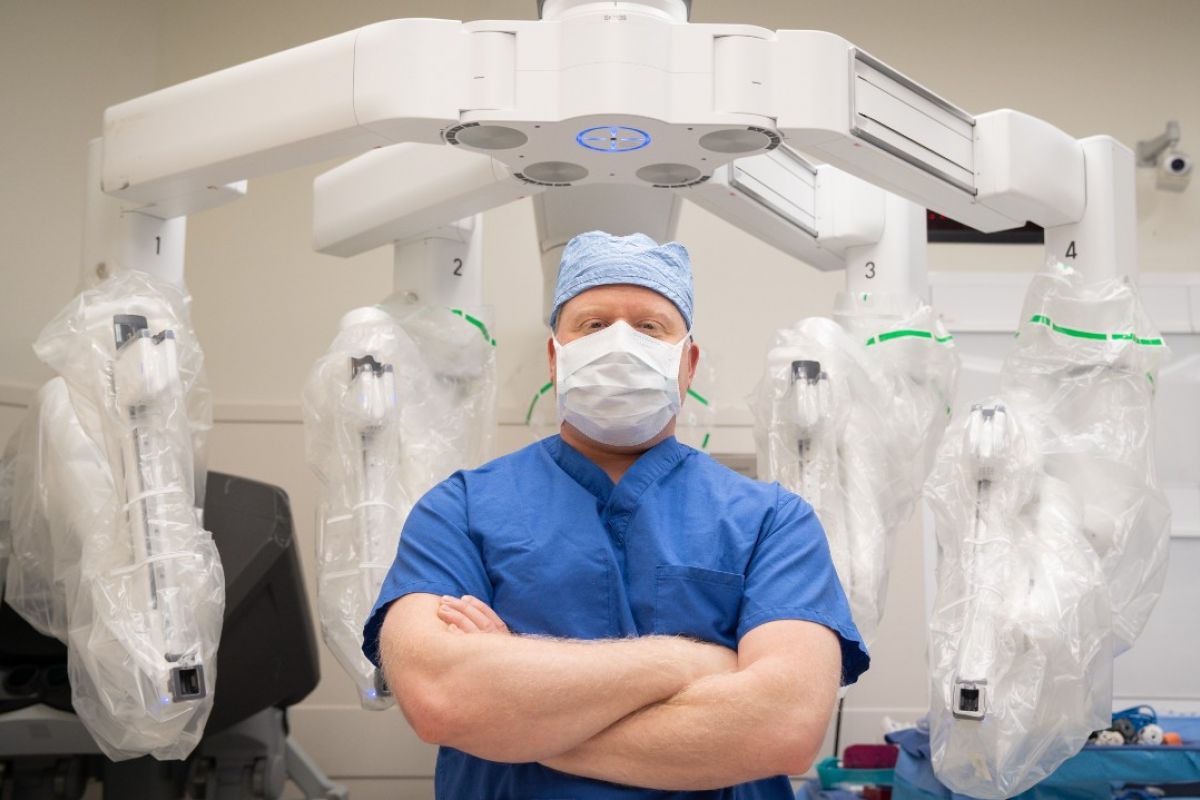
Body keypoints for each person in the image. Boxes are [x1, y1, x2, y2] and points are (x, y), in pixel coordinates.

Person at [362, 230, 869, 798]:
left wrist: (516, 713)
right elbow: (443, 700)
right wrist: (691, 661)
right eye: (594, 325)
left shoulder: (774, 522)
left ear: (688, 362)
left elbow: (783, 728)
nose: (620, 345)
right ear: (556, 356)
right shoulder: (457, 510)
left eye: (650, 327)